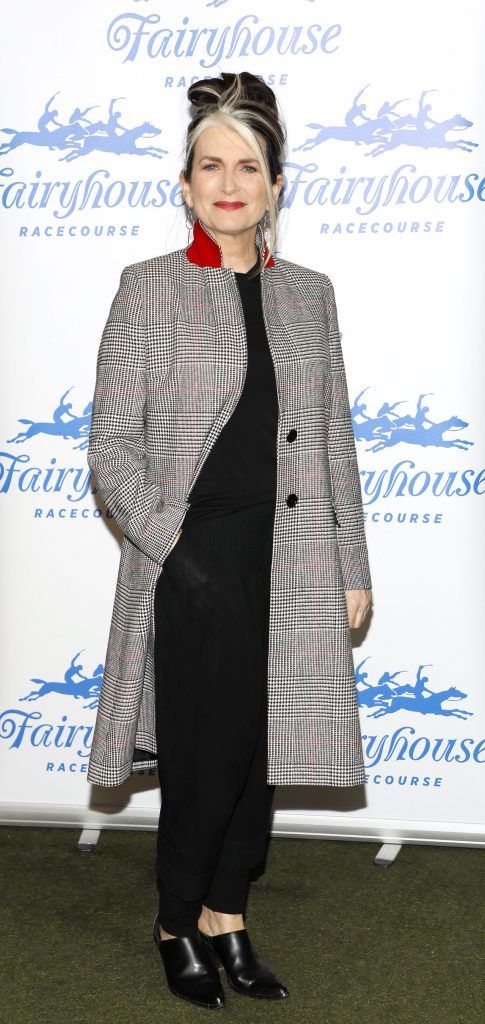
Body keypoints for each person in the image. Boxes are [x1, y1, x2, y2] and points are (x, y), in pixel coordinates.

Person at [86, 71, 372, 1011]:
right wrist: (178, 549)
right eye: (209, 165)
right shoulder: (149, 291)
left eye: (246, 165)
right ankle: (174, 918)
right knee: (205, 757)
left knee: (257, 762)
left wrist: (351, 566)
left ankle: (226, 915)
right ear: (185, 183)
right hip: (191, 562)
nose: (228, 182)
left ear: (275, 184)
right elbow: (111, 448)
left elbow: (331, 439)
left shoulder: (310, 297)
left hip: (287, 559)